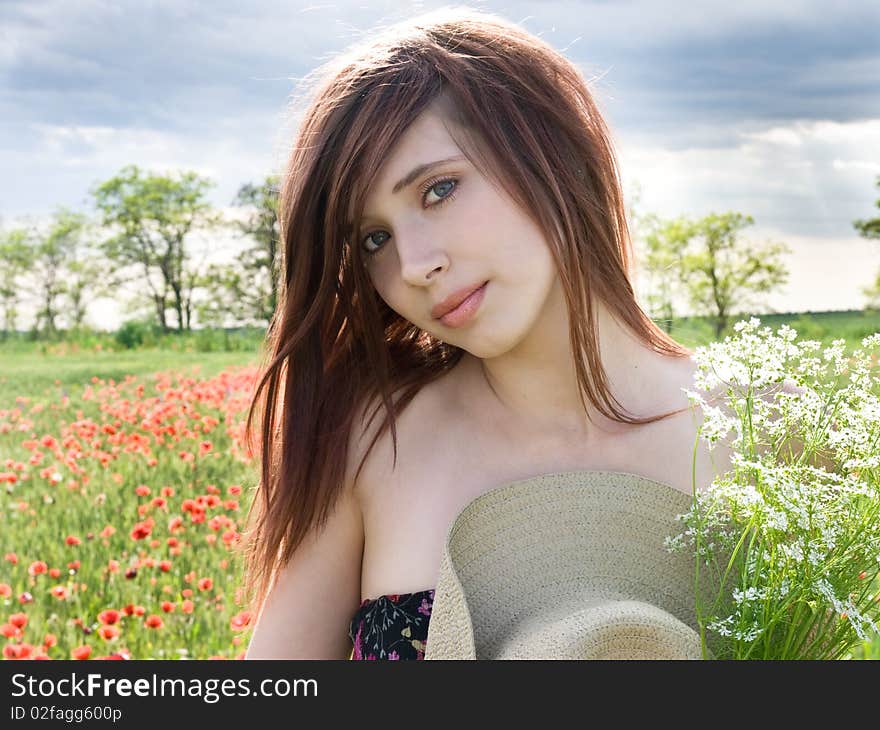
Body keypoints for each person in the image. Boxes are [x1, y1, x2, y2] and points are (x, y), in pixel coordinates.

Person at [241, 6, 735, 660]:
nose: (415, 265)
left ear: (552, 151)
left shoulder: (764, 433)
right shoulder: (372, 443)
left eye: (439, 189)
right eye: (374, 239)